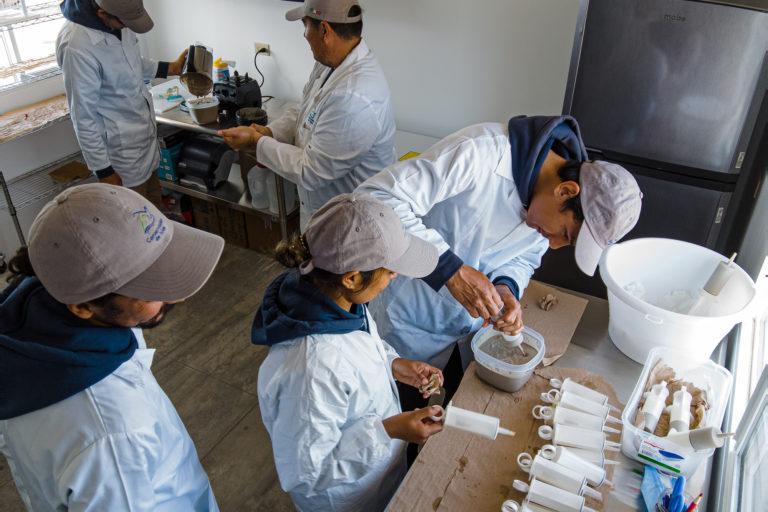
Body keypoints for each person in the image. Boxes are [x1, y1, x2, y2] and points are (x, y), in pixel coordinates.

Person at [357, 116, 642, 407]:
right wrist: (450, 270)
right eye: (566, 234)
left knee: (444, 408)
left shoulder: (545, 204)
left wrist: (506, 288)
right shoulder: (480, 153)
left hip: (466, 335)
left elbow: (524, 257)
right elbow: (373, 201)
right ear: (566, 191)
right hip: (405, 324)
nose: (555, 245)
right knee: (391, 411)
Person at [0, 184, 224, 510]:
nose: (177, 298)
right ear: (83, 306)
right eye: (150, 290)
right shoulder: (111, 438)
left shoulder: (37, 312)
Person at [254, 193, 444, 511]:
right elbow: (307, 471)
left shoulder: (335, 299)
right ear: (353, 277)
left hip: (374, 472)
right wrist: (389, 430)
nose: (395, 275)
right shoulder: (311, 369)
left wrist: (394, 364)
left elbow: (358, 344)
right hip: (347, 497)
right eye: (390, 270)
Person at [219, 0, 396, 231]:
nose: (304, 35)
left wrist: (257, 142)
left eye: (305, 26)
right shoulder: (332, 64)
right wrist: (271, 132)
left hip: (351, 225)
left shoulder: (352, 97)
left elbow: (311, 171)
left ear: (325, 31)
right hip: (327, 212)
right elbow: (305, 108)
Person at [56, 0, 187, 204]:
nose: (127, 27)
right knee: (136, 219)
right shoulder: (77, 47)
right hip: (121, 158)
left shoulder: (116, 19)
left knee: (156, 215)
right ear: (102, 14)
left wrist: (171, 68)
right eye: (124, 23)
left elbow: (131, 61)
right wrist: (104, 171)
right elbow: (83, 118)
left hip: (144, 143)